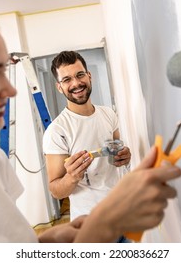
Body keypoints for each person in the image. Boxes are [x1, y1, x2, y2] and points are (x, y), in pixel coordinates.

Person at [0, 0, 181, 243]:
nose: (10, 90)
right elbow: (56, 190)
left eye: (4, 70)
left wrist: (50, 240)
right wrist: (98, 230)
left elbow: (14, 247)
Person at [43, 51, 132, 242]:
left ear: (89, 76)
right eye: (66, 79)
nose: (75, 83)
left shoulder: (108, 114)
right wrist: (72, 177)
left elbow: (119, 155)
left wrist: (125, 156)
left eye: (79, 75)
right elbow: (55, 190)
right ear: (59, 87)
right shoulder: (57, 131)